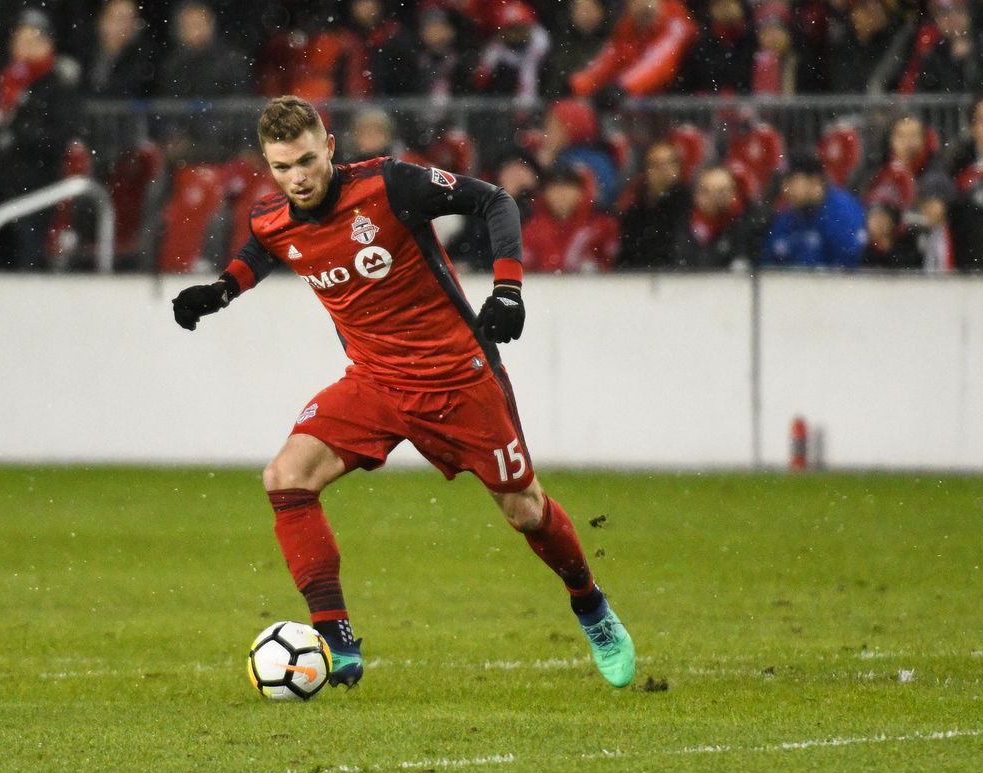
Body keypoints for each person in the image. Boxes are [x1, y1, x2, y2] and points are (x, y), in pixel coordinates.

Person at [170, 95, 636, 690]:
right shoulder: (272, 214)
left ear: (330, 148)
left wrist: (510, 291)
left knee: (525, 509)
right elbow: (265, 246)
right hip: (375, 380)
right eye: (282, 168)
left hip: (458, 377)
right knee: (286, 478)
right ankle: (337, 642)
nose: (297, 178)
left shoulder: (390, 184)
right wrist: (221, 291)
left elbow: (493, 200)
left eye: (307, 161)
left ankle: (589, 605)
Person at [0, 9, 82, 270]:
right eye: (19, 41)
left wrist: (15, 134)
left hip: (37, 189)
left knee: (29, 258)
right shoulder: (6, 82)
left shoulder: (58, 85)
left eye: (30, 41)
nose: (22, 49)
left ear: (46, 45)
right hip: (0, 187)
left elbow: (60, 136)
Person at [568, 0, 697, 108]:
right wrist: (574, 86)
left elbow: (658, 63)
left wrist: (622, 88)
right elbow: (608, 60)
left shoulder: (676, 22)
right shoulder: (627, 26)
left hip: (685, 107)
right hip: (651, 109)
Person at [760, 153, 866, 268]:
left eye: (791, 180)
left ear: (814, 181)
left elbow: (849, 265)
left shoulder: (842, 212)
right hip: (793, 284)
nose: (784, 188)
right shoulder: (788, 214)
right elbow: (769, 261)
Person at [522, 164, 618, 273]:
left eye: (567, 188)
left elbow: (613, 266)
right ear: (545, 193)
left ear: (581, 192)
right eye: (554, 189)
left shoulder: (601, 226)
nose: (561, 195)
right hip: (545, 288)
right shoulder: (532, 229)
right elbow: (525, 271)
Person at [615, 140, 691, 269]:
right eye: (656, 164)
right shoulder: (635, 211)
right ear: (646, 170)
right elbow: (626, 254)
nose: (663, 170)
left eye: (669, 163)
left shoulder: (689, 206)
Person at [156, 1, 249, 99]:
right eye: (190, 26)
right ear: (179, 30)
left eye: (199, 24)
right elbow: (168, 106)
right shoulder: (172, 66)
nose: (196, 32)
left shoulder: (232, 62)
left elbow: (239, 104)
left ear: (211, 24)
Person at [678, 165, 761, 270]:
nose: (715, 197)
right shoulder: (684, 226)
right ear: (696, 195)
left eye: (722, 191)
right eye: (707, 191)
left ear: (733, 192)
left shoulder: (748, 226)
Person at [679, 0, 756, 95]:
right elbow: (689, 82)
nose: (725, 9)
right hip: (709, 105)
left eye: (730, 3)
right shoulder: (699, 44)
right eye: (718, 5)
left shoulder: (756, 40)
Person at [81, 0, 156, 98]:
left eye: (128, 19)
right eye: (116, 18)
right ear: (102, 19)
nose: (122, 26)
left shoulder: (146, 57)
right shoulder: (83, 51)